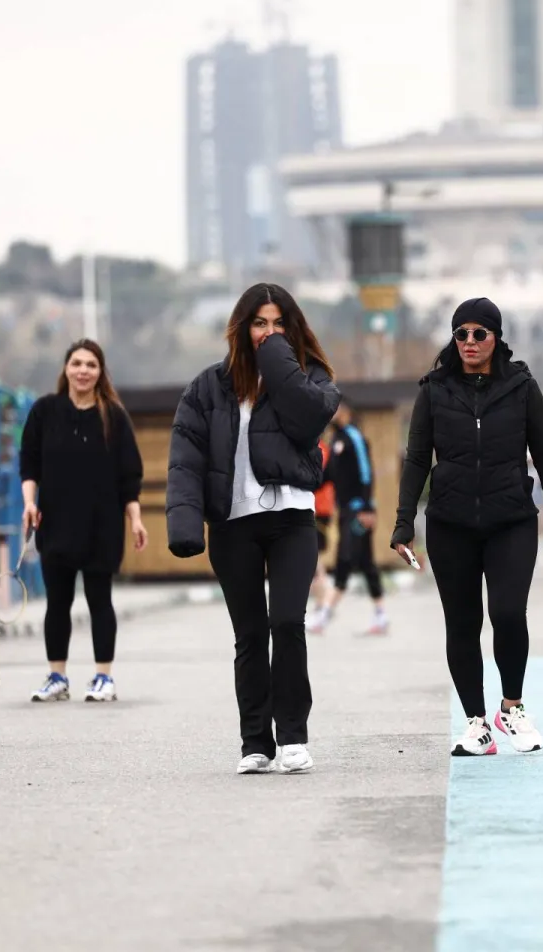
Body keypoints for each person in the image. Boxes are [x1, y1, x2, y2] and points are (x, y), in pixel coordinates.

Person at [166, 283, 340, 774]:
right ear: (241, 328)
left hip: (292, 520)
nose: (268, 332)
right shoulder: (208, 387)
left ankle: (294, 737)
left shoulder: (311, 379)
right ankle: (255, 743)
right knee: (250, 634)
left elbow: (309, 420)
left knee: (287, 622)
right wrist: (184, 524)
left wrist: (280, 364)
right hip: (233, 525)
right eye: (260, 323)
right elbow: (185, 458)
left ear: (292, 328)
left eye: (278, 323)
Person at [391, 298, 543, 757]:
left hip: (510, 518)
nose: (469, 342)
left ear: (496, 338)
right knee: (462, 623)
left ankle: (511, 707)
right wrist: (403, 522)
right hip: (450, 522)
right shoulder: (433, 390)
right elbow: (415, 459)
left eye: (479, 333)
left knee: (508, 614)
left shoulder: (522, 387)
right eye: (461, 334)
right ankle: (476, 724)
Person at [20, 339, 148, 703]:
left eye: (91, 364)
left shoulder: (114, 416)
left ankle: (103, 677)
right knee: (57, 603)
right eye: (76, 363)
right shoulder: (45, 411)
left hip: (101, 525)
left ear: (100, 372)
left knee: (99, 601)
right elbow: (29, 463)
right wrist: (30, 503)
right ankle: (57, 676)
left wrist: (135, 520)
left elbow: (130, 477)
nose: (83, 370)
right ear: (66, 368)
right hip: (55, 522)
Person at [309, 400, 387, 635]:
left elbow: (366, 473)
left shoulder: (354, 437)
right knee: (365, 561)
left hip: (357, 510)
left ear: (347, 411)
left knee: (345, 558)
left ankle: (323, 615)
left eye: (337, 408)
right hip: (344, 509)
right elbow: (327, 476)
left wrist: (366, 508)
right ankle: (381, 615)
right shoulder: (336, 441)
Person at [310, 438, 335, 607]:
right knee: (315, 554)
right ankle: (321, 597)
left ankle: (324, 596)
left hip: (319, 508)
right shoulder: (322, 447)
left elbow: (319, 476)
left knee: (315, 553)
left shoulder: (320, 448)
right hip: (319, 506)